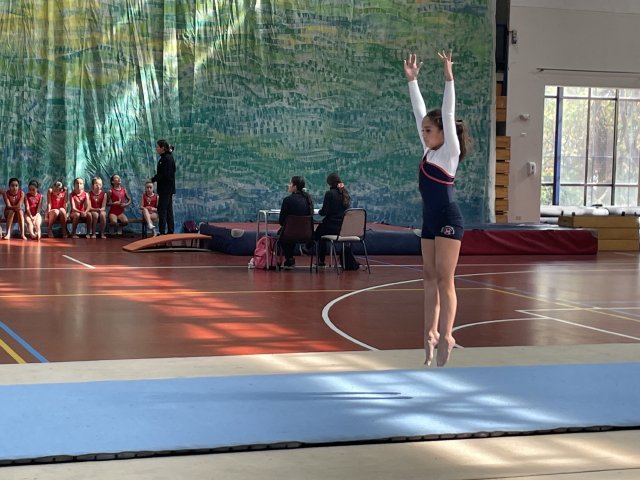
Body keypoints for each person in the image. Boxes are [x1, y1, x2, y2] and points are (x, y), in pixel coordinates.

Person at [404, 51, 471, 367]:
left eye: (429, 131)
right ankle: (429, 332)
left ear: (444, 132)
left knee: (445, 279)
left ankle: (447, 335)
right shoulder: (428, 153)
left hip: (448, 220)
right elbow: (419, 112)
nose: (424, 133)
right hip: (429, 221)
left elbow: (447, 111)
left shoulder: (449, 153)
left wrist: (448, 78)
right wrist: (412, 81)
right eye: (423, 131)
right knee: (428, 277)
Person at [314, 173, 351, 267]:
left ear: (329, 183)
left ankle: (319, 259)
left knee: (319, 232)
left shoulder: (330, 194)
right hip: (343, 228)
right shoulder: (345, 193)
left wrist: (319, 211)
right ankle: (307, 248)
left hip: (332, 227)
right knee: (321, 230)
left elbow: (324, 212)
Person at [278, 176, 313, 269]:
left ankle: (289, 259)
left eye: (290, 183)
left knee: (284, 234)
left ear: (295, 187)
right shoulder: (308, 200)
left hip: (289, 234)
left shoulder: (287, 200)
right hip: (306, 234)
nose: (288, 185)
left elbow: (281, 221)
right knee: (290, 231)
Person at [151, 139, 176, 235]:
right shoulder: (168, 157)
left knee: (162, 210)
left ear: (163, 148)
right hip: (168, 188)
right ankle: (170, 231)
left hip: (165, 189)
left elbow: (163, 174)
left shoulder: (166, 159)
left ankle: (162, 232)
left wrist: (153, 179)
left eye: (158, 147)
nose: (156, 149)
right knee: (168, 210)